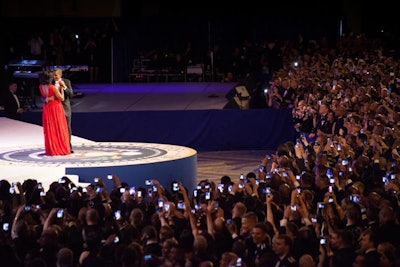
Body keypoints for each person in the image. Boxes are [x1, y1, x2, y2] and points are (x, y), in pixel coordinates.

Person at [39, 70, 71, 156]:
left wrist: (48, 99)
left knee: (50, 128)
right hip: (56, 108)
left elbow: (44, 97)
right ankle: (60, 148)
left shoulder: (41, 87)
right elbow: (62, 98)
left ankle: (51, 148)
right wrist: (61, 89)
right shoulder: (52, 87)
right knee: (59, 128)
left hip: (47, 108)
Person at [53, 68, 73, 152]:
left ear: (60, 75)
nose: (54, 77)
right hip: (54, 109)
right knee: (56, 128)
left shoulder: (67, 81)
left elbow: (71, 95)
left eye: (56, 75)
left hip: (65, 109)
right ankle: (58, 147)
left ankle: (68, 147)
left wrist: (64, 86)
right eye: (53, 75)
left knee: (67, 128)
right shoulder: (51, 83)